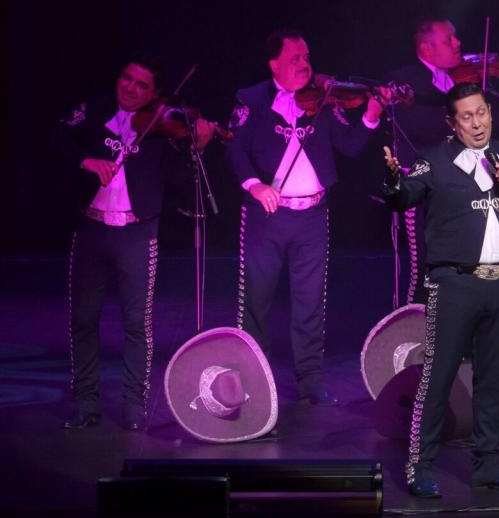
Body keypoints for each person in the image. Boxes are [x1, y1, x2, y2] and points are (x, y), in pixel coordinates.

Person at [382, 82, 499, 498]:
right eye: (466, 117)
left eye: (481, 113)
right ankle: (420, 467)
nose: (477, 123)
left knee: (494, 379)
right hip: (455, 283)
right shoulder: (435, 161)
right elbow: (404, 196)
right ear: (452, 123)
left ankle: (488, 466)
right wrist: (392, 180)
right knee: (438, 377)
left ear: (490, 112)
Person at [54, 54, 215, 430]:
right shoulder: (95, 110)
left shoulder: (163, 129)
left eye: (142, 85)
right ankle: (86, 402)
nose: (130, 88)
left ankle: (133, 405)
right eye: (127, 78)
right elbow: (57, 134)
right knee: (83, 319)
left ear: (155, 94)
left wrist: (198, 146)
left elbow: (176, 181)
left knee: (135, 323)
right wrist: (85, 162)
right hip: (91, 230)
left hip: (137, 233)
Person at [225, 28, 385, 405]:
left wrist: (372, 115)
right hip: (268, 214)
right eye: (295, 58)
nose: (305, 64)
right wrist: (254, 185)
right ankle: (253, 379)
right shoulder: (250, 99)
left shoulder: (325, 100)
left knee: (310, 300)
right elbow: (235, 150)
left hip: (312, 215)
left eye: (307, 57)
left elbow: (349, 145)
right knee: (257, 299)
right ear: (274, 64)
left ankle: (310, 381)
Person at [385, 18, 499, 305]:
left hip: (465, 185)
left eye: (456, 38)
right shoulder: (407, 81)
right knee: (426, 265)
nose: (458, 44)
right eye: (449, 40)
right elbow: (416, 124)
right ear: (426, 49)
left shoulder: (462, 79)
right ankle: (418, 335)